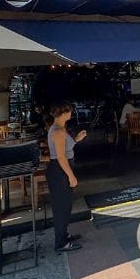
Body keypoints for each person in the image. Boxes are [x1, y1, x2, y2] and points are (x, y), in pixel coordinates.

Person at [47, 103, 87, 252]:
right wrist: (71, 176)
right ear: (64, 113)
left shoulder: (60, 128)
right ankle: (60, 243)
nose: (71, 113)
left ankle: (64, 235)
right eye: (70, 111)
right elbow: (61, 156)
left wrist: (76, 139)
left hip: (61, 169)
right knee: (61, 207)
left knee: (66, 205)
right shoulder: (57, 131)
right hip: (59, 171)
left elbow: (65, 149)